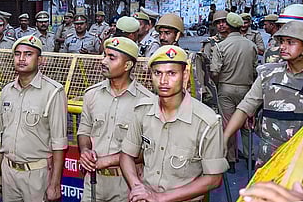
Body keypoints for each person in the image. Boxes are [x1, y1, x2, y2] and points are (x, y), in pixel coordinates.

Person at [120, 45, 228, 202]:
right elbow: (126, 155)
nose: (163, 81)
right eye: (158, 73)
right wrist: (137, 188)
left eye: (171, 73)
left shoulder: (207, 122)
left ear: (185, 75)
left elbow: (213, 179)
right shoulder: (142, 110)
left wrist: (159, 197)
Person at [78, 37, 154, 202]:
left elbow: (149, 150)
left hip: (126, 184)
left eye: (111, 58)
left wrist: (109, 160)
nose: (103, 61)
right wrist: (84, 150)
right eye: (104, 55)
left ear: (127, 65)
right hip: (93, 182)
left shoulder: (147, 102)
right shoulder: (91, 94)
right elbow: (84, 131)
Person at [0, 35, 67, 201]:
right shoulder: (7, 91)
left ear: (40, 60)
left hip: (36, 175)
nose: (21, 59)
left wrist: (54, 184)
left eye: (28, 54)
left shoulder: (53, 92)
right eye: (17, 54)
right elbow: (2, 134)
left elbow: (59, 143)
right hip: (8, 172)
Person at [223, 20, 303, 168]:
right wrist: (225, 137)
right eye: (282, 41)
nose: (283, 47)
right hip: (268, 153)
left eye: (290, 42)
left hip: (298, 158)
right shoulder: (268, 73)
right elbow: (246, 106)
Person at [210, 12, 257, 173]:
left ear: (228, 27)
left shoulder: (220, 46)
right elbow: (254, 69)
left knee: (228, 124)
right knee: (246, 124)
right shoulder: (251, 45)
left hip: (226, 89)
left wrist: (217, 84)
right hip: (246, 89)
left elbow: (214, 71)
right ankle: (249, 155)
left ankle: (230, 160)